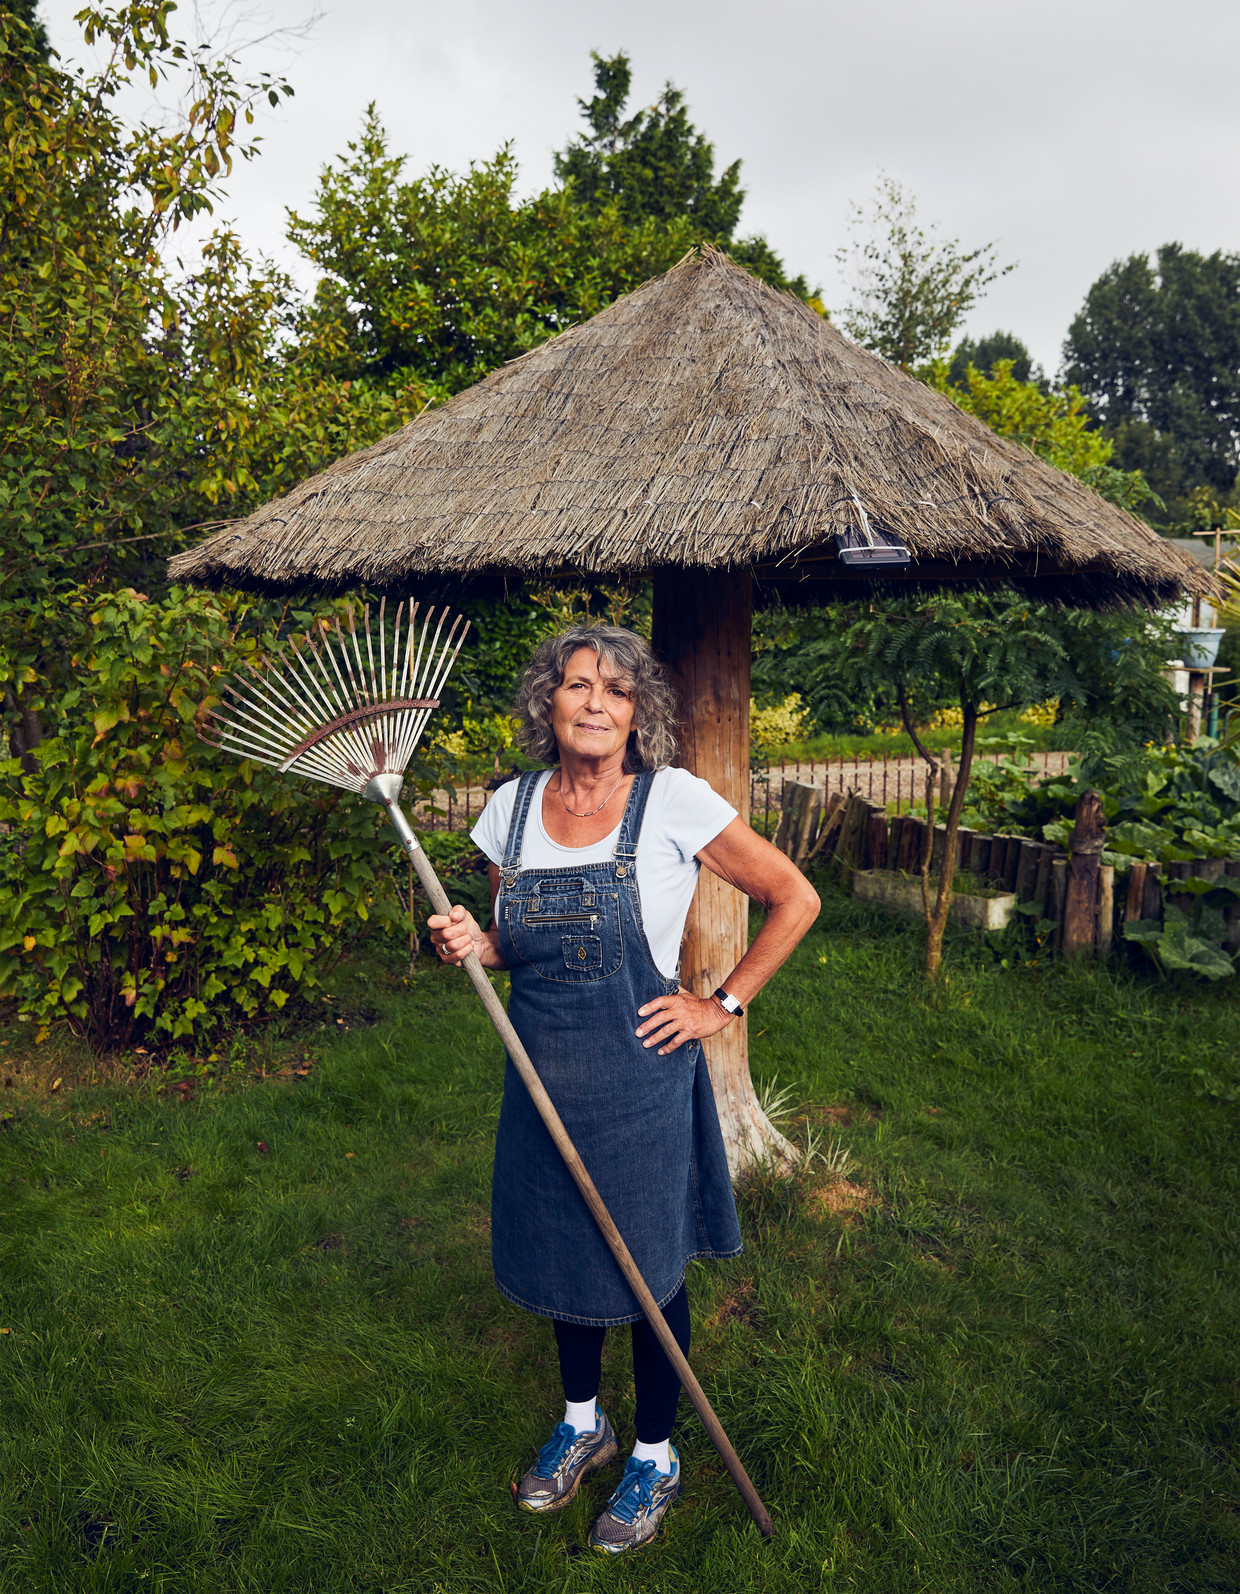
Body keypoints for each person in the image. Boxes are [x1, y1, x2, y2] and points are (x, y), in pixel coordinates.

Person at [428, 624, 819, 1554]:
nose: (595, 704)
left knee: (645, 1267)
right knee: (567, 1245)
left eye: (615, 690)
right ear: (548, 703)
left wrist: (721, 1003)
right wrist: (470, 945)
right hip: (541, 1075)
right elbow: (507, 941)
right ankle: (581, 1424)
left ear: (639, 713)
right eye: (576, 686)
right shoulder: (508, 813)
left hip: (639, 1077)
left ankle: (654, 1454)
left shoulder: (674, 802)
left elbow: (794, 896)